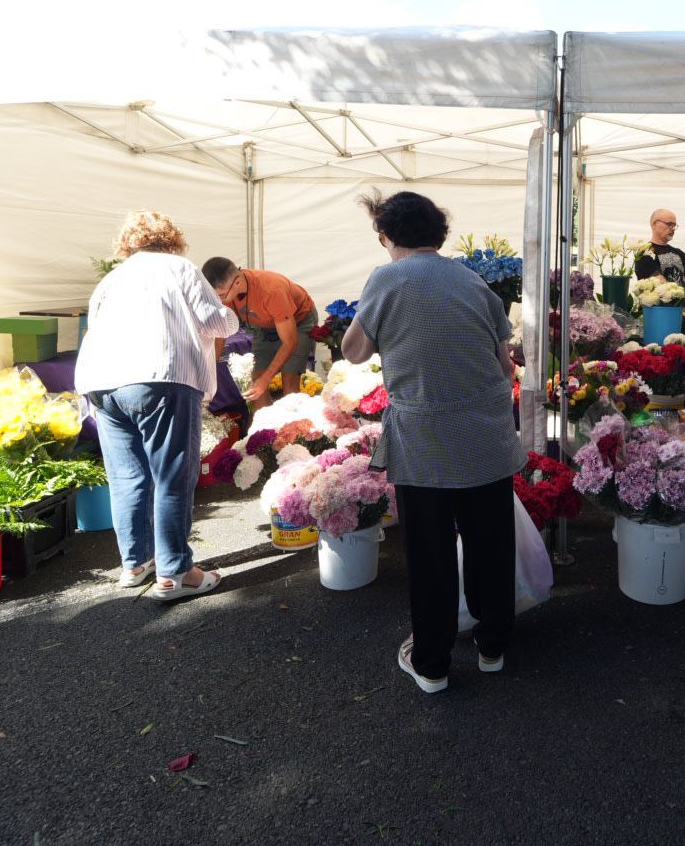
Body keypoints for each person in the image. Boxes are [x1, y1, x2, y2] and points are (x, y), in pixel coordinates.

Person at [341, 190, 525, 694]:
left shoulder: (387, 277)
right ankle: (493, 647)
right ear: (438, 234)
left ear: (386, 236)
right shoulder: (472, 279)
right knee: (490, 544)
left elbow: (353, 352)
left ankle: (433, 665)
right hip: (485, 433)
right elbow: (505, 362)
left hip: (426, 440)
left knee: (430, 554)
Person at [77, 212, 239, 601]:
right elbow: (217, 322)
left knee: (127, 478)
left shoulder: (110, 279)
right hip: (159, 378)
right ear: (171, 240)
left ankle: (135, 564)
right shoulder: (178, 267)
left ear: (128, 245)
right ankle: (176, 573)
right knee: (172, 477)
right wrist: (230, 311)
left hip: (102, 384)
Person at [201, 258, 318, 408]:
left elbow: (290, 342)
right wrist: (211, 366)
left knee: (289, 381)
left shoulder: (271, 290)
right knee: (256, 383)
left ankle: (295, 428)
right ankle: (268, 428)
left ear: (237, 283)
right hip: (265, 326)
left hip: (299, 321)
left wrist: (266, 379)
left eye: (221, 296)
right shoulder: (225, 293)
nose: (219, 301)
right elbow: (220, 332)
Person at [633, 209, 685, 284]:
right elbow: (659, 285)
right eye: (669, 224)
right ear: (655, 224)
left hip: (682, 302)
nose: (673, 228)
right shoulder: (645, 252)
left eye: (674, 225)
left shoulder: (677, 252)